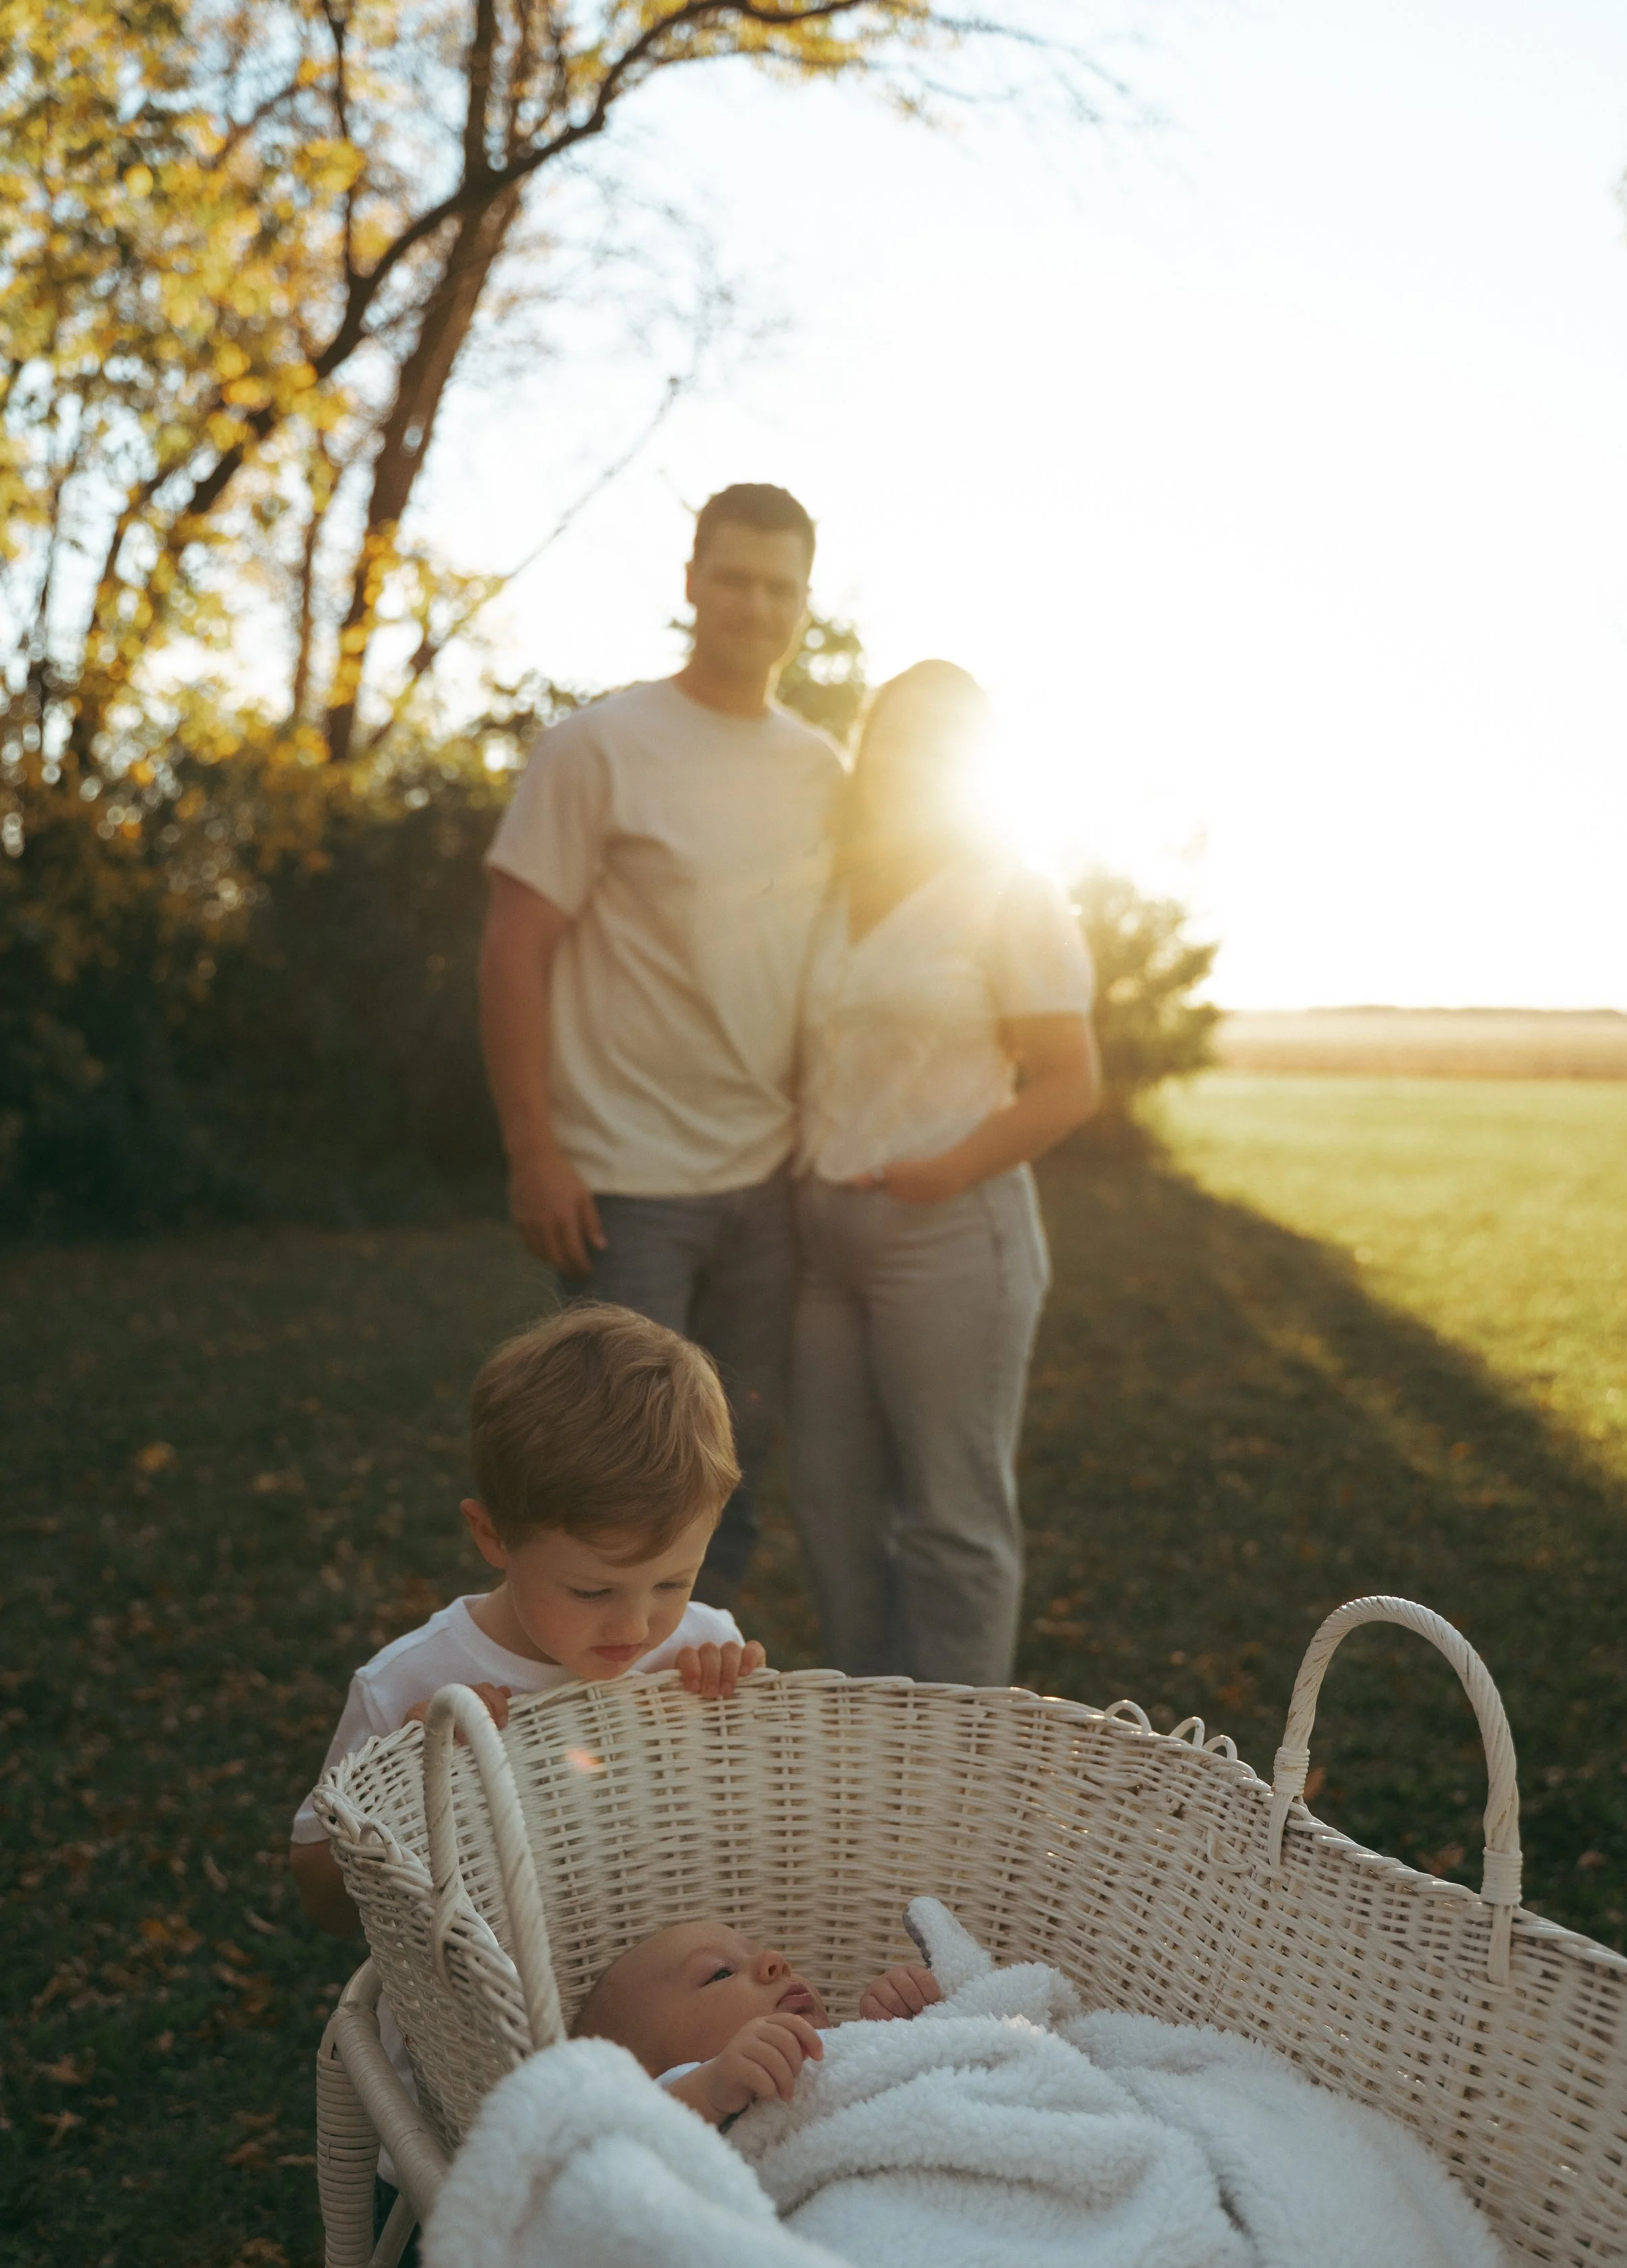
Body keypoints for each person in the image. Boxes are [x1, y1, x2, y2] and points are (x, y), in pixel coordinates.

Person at [477, 483, 842, 1602]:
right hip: (623, 1182)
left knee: (733, 1463)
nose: (753, 603)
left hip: (768, 1175)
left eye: (779, 585)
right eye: (732, 577)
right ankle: (579, 1714)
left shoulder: (825, 769)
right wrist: (535, 1150)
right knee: (613, 1472)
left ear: (805, 602)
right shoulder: (600, 746)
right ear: (690, 582)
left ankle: (686, 1697)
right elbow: (513, 949)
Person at [790, 661, 1100, 1693]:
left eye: (937, 741)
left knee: (952, 1518)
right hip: (824, 1240)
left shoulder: (1008, 892)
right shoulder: (836, 885)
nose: (907, 758)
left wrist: (946, 1167)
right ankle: (872, 1737)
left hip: (953, 1231)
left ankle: (959, 1768)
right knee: (833, 1506)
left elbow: (1069, 1082)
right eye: (893, 734)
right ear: (867, 747)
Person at [289, 1305, 766, 1938]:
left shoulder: (699, 1650)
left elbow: (755, 1849)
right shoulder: (411, 1685)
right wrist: (406, 1787)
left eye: (673, 1583)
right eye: (592, 1591)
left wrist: (736, 1722)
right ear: (493, 1536)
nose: (637, 1627)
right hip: (480, 2015)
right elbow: (319, 1895)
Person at [572, 1918, 941, 2125]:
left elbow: (948, 2062)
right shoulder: (670, 2100)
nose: (775, 1961)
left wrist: (905, 2017)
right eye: (720, 1974)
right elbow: (634, 2144)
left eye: (759, 1951)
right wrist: (711, 2089)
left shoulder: (852, 2039)